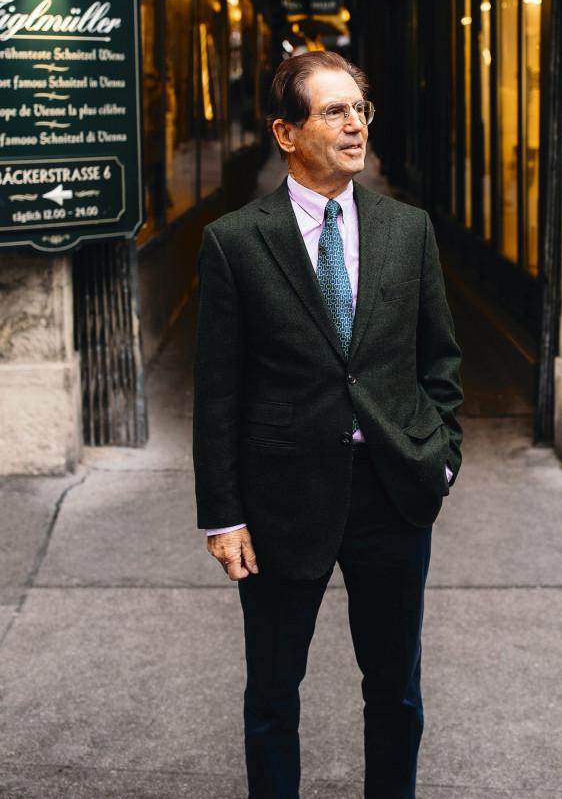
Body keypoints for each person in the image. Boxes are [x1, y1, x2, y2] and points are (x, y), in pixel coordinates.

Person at [192, 50, 464, 799]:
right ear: (286, 133)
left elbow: (440, 359)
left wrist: (440, 455)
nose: (354, 126)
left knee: (396, 691)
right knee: (273, 695)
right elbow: (217, 392)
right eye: (333, 111)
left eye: (360, 110)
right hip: (281, 498)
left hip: (392, 489)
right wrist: (223, 515)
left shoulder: (408, 230)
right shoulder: (235, 242)